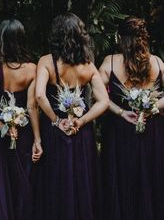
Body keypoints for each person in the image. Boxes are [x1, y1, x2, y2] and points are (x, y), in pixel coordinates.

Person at [99, 16, 164, 220]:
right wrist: (152, 108)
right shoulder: (156, 61)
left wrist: (119, 111)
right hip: (151, 129)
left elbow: (97, 96)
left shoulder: (110, 61)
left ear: (119, 37)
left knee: (123, 179)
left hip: (121, 129)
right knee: (152, 176)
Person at [33, 13, 109, 219]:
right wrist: (82, 120)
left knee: (56, 179)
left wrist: (56, 121)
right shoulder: (89, 65)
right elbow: (104, 101)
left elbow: (39, 94)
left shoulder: (46, 62)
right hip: (80, 131)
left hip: (55, 131)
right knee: (81, 179)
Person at [0, 18, 41, 220]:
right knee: (20, 181)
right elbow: (31, 106)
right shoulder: (32, 69)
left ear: (1, 40)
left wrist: (0, 125)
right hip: (23, 133)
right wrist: (37, 140)